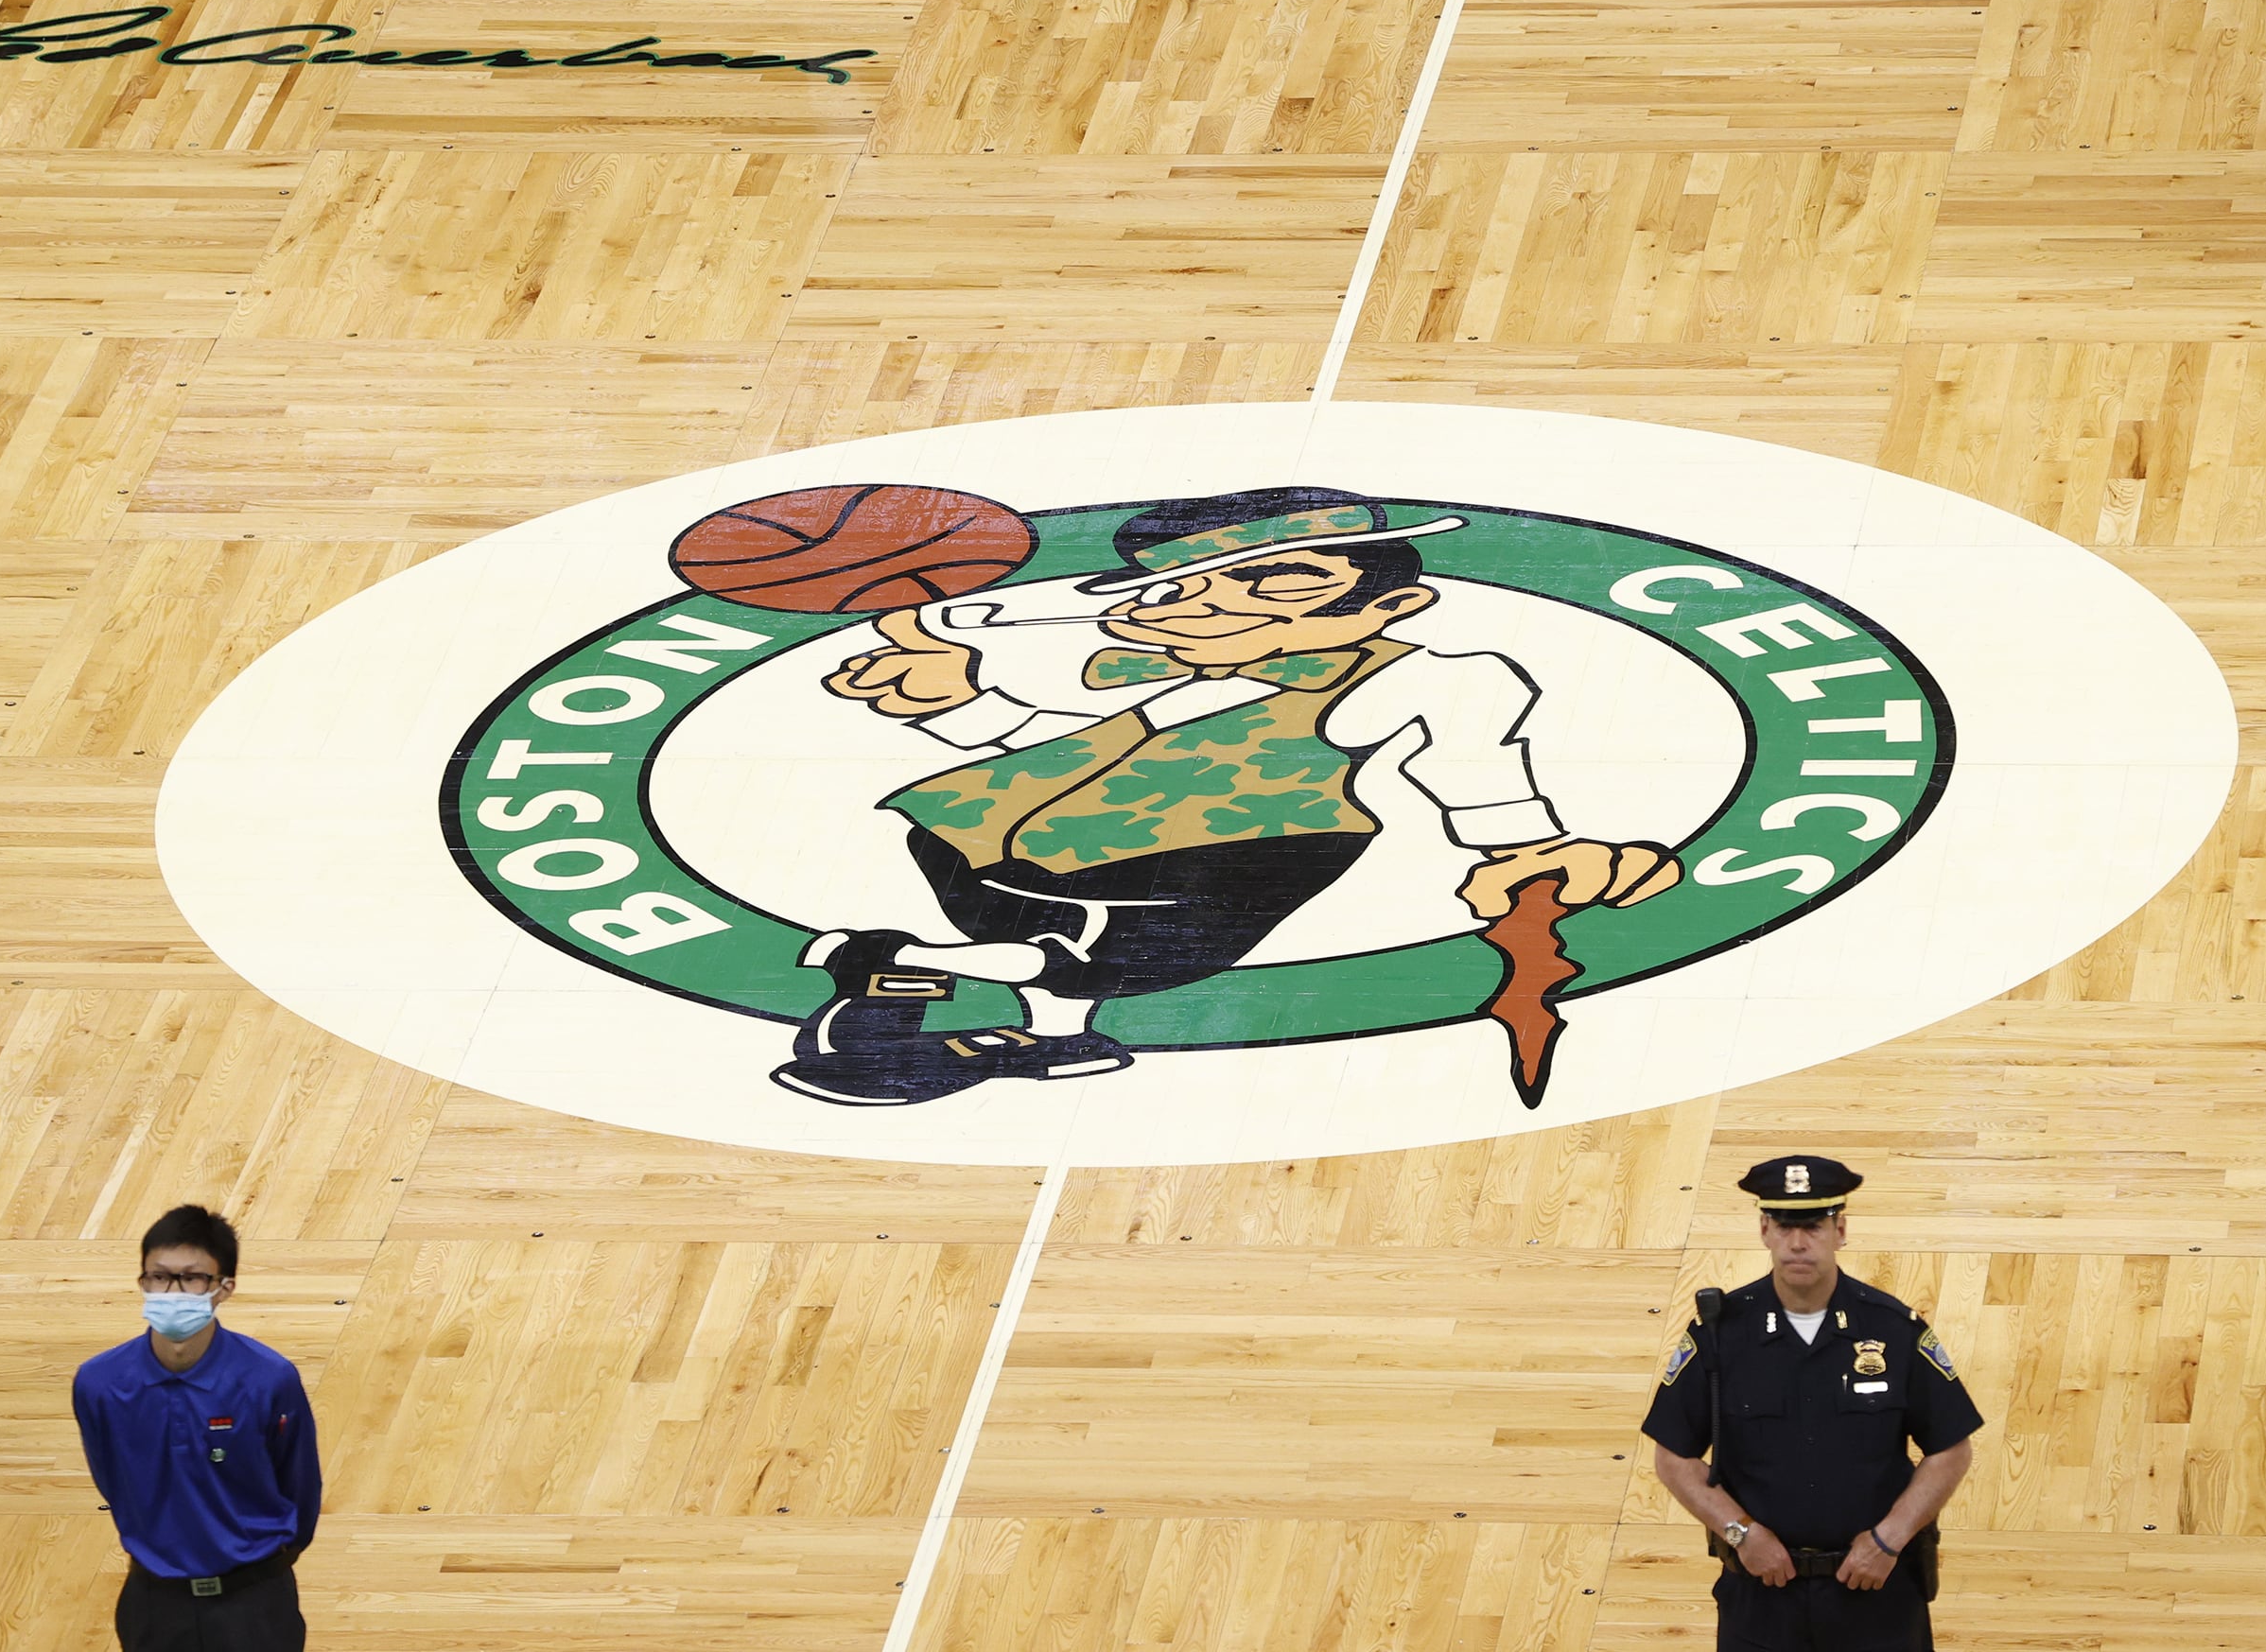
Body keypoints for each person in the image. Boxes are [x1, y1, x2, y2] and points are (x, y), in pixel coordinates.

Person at [782, 485, 1684, 1104]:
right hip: (992, 842)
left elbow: (1473, 766)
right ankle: (1000, 1009)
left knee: (1099, 951)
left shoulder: (1432, 676)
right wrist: (959, 704)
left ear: (1391, 607)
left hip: (1215, 852)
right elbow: (1054, 748)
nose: (1202, 608)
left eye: (1276, 582)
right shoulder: (1182, 682)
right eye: (1174, 592)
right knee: (1070, 953)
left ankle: (906, 970)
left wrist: (1529, 851)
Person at [1641, 1157, 1982, 1651]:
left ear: (1840, 1230)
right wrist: (1740, 1534)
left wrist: (1889, 1539)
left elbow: (1951, 1449)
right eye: (1784, 1226)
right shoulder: (1720, 1335)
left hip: (1876, 1594)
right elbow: (1673, 1457)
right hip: (1761, 1598)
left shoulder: (1892, 1330)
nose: (1798, 1243)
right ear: (1764, 1230)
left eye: (1813, 1227)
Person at [73, 1205, 322, 1651]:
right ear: (142, 1281)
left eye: (191, 1278)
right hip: (154, 1602)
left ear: (224, 1288)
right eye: (159, 1276)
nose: (172, 1291)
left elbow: (300, 1483)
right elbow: (111, 1479)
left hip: (255, 1603)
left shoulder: (269, 1379)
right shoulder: (99, 1384)